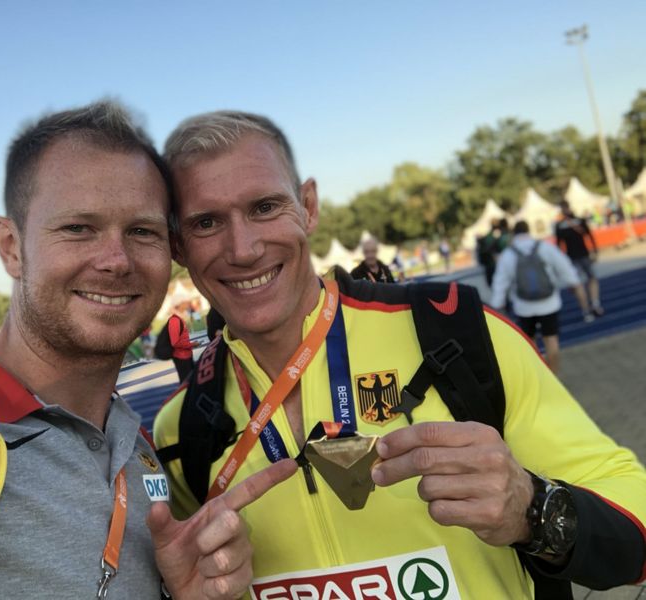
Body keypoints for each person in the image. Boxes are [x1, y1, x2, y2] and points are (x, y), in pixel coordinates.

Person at [153, 110, 646, 598]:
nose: (243, 249)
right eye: (206, 222)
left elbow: (635, 520)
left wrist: (531, 509)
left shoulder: (454, 332)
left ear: (308, 207)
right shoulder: (181, 428)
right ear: (177, 245)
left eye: (264, 207)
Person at [0, 101, 296, 598]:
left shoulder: (138, 450)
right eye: (78, 228)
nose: (116, 260)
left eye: (142, 231)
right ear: (12, 247)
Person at [490, 220, 592, 374]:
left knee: (530, 343)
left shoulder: (508, 254)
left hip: (523, 306)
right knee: (551, 340)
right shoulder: (544, 247)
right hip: (549, 303)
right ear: (528, 230)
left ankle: (540, 376)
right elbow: (563, 266)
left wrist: (497, 304)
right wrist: (573, 282)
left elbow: (500, 281)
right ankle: (555, 376)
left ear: (514, 233)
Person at [555, 200, 604, 317]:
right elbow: (589, 236)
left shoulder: (560, 225)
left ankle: (587, 309)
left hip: (572, 257)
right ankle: (594, 304)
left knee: (579, 284)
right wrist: (595, 250)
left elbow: (558, 245)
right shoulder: (579, 221)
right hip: (581, 255)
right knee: (590, 279)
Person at [167, 302, 196, 381]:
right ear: (179, 305)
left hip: (187, 355)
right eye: (184, 303)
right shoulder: (174, 320)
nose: (187, 304)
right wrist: (192, 344)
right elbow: (175, 343)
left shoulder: (180, 318)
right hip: (182, 357)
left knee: (192, 381)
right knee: (187, 382)